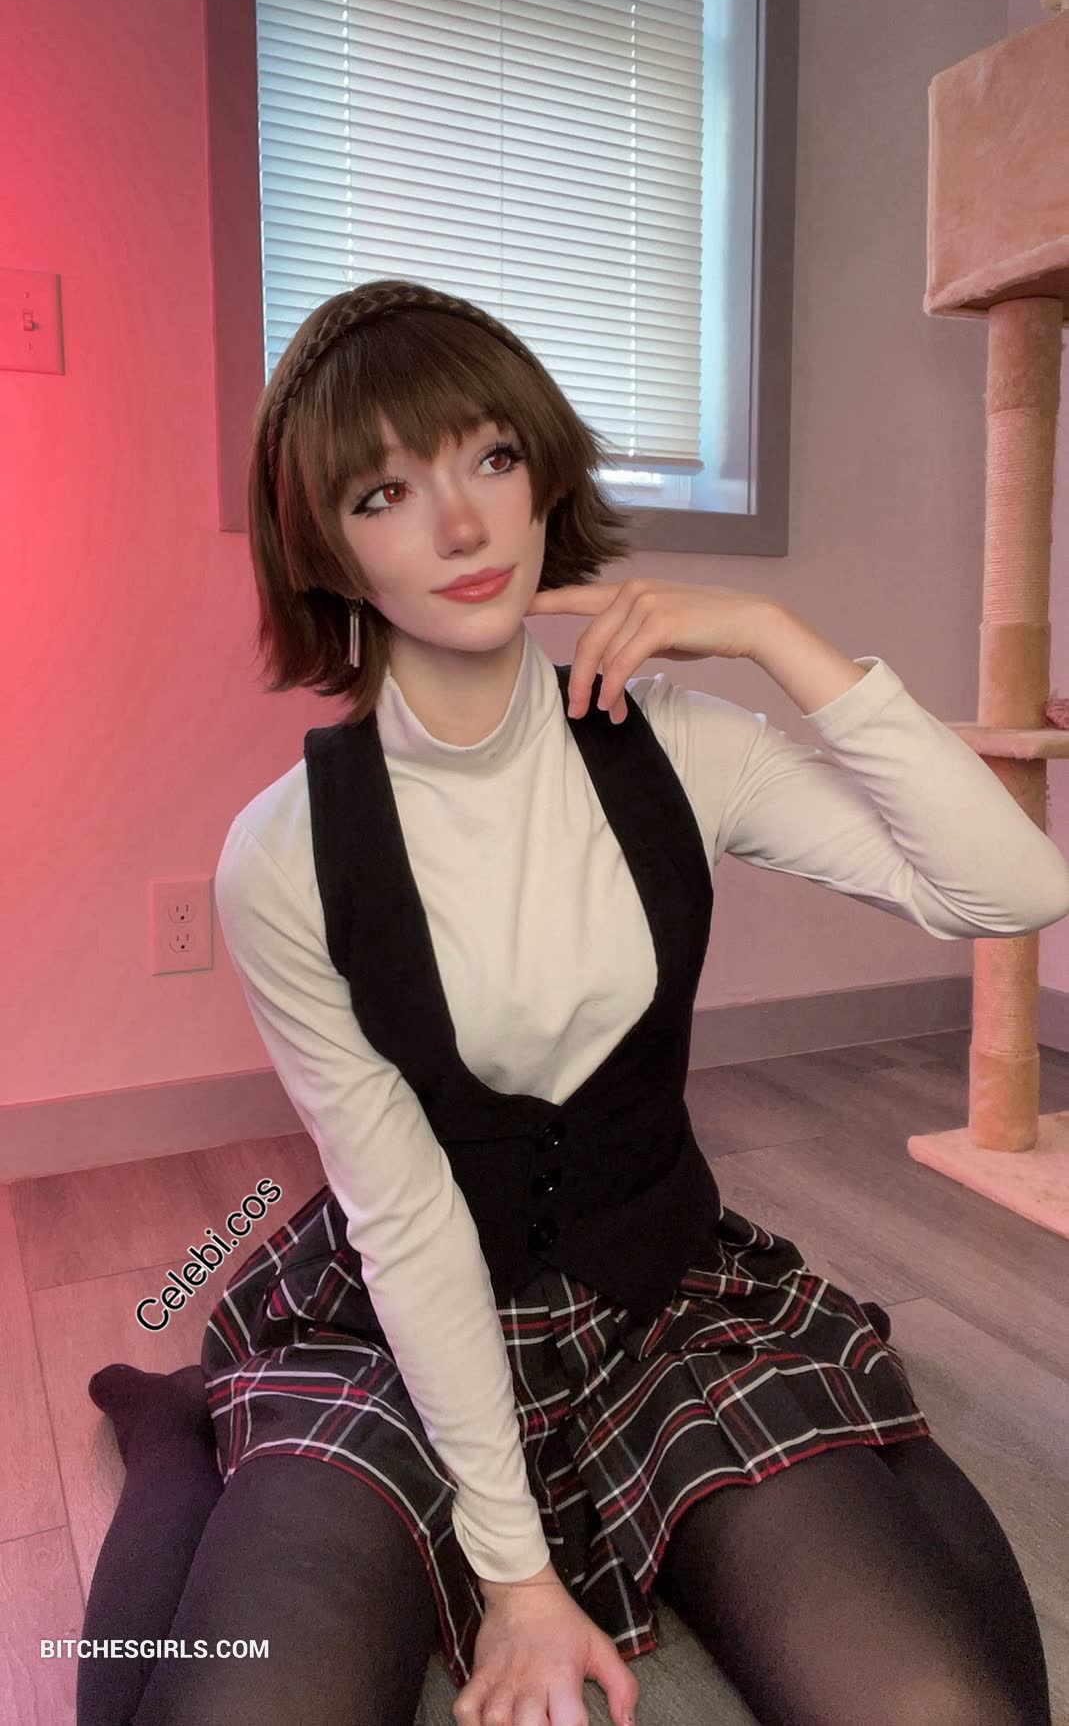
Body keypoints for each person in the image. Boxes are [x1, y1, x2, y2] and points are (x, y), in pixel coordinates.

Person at [77, 279, 1064, 1726]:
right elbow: (408, 1216)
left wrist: (773, 633)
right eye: (383, 493)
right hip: (401, 1321)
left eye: (490, 457)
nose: (461, 526)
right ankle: (186, 1433)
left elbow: (1010, 888)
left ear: (541, 475)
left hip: (660, 1295)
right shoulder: (281, 856)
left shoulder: (685, 747)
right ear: (326, 550)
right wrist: (517, 1576)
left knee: (940, 1699)